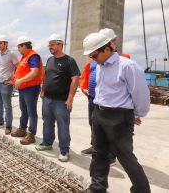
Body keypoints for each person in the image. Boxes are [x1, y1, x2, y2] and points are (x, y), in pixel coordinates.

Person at [81, 32, 150, 193]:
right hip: (99, 113)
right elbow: (102, 90)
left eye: (94, 54)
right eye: (90, 56)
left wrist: (137, 114)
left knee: (125, 156)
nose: (92, 58)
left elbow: (141, 94)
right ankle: (97, 188)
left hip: (119, 117)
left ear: (107, 49)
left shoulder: (127, 66)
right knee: (99, 154)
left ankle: (142, 190)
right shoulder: (99, 65)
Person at [36, 34, 80, 162]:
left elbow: (75, 78)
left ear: (60, 45)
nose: (50, 47)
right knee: (47, 122)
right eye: (49, 45)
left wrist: (70, 97)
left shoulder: (69, 61)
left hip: (61, 101)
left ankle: (64, 150)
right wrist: (43, 90)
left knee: (63, 125)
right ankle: (47, 143)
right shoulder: (49, 60)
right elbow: (46, 76)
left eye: (53, 44)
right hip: (47, 99)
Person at [10, 36, 43, 145]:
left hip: (31, 88)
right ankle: (22, 129)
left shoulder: (32, 56)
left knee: (31, 111)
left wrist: (20, 80)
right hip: (23, 88)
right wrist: (15, 80)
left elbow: (34, 72)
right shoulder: (24, 57)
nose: (18, 50)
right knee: (24, 110)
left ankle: (31, 134)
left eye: (19, 47)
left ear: (24, 46)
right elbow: (22, 72)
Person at [0, 35, 18, 134]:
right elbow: (0, 66)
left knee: (7, 105)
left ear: (6, 44)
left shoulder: (11, 54)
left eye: (0, 43)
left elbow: (18, 66)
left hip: (6, 84)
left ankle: (9, 126)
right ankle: (0, 120)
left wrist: (13, 78)